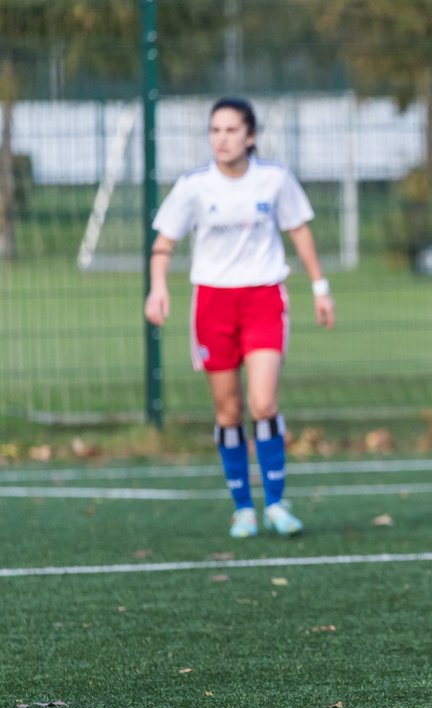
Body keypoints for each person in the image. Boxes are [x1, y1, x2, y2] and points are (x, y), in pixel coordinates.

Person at [144, 97, 336, 539]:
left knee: (262, 403)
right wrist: (158, 287)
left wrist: (320, 286)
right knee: (228, 409)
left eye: (231, 130)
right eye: (215, 130)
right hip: (213, 304)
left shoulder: (274, 179)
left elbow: (299, 229)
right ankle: (243, 508)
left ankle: (277, 503)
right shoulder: (194, 186)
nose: (222, 138)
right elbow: (163, 244)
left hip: (264, 298)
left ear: (250, 136)